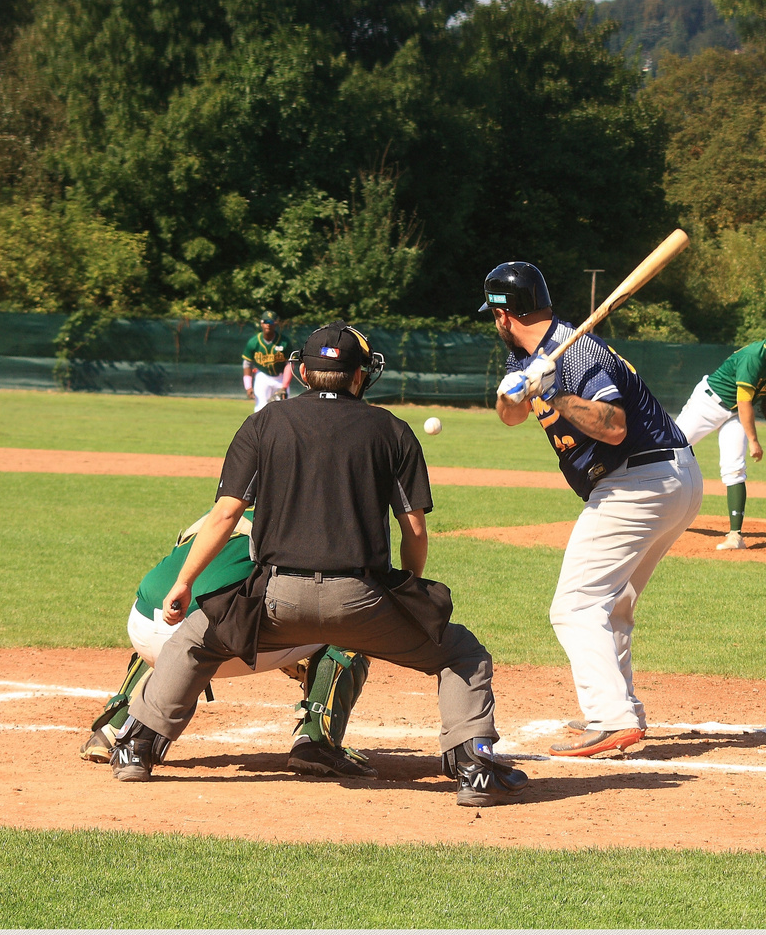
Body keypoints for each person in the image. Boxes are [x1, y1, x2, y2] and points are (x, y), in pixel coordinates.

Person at [111, 322, 528, 807]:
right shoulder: (391, 429)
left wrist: (183, 582)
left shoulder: (264, 423)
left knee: (193, 641)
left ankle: (136, 746)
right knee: (462, 654)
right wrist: (409, 592)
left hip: (275, 600)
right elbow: (413, 528)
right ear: (359, 376)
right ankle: (474, 768)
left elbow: (225, 513)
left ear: (303, 371)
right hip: (362, 601)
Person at [486, 261, 703, 758]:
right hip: (665, 478)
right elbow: (511, 416)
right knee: (613, 606)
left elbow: (614, 427)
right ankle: (622, 712)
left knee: (575, 605)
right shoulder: (530, 356)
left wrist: (553, 392)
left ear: (504, 316)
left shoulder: (577, 350)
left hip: (639, 479)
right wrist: (514, 392)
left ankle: (611, 717)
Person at [79, 506, 373, 779]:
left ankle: (114, 726)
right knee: (349, 622)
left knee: (173, 632)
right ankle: (316, 742)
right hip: (211, 643)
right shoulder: (304, 524)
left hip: (143, 626)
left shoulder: (220, 513)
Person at [672, 315, 766, 550]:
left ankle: (735, 536)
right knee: (669, 452)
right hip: (708, 405)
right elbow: (744, 402)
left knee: (734, 467)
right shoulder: (753, 357)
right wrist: (753, 441)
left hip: (735, 414)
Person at [242, 310, 295, 413]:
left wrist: (284, 386)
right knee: (260, 409)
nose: (268, 324)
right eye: (265, 321)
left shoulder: (284, 342)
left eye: (271, 322)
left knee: (284, 410)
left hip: (280, 377)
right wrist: (248, 387)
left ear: (276, 323)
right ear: (261, 323)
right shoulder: (254, 342)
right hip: (262, 376)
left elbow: (290, 364)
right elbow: (247, 364)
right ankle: (260, 429)